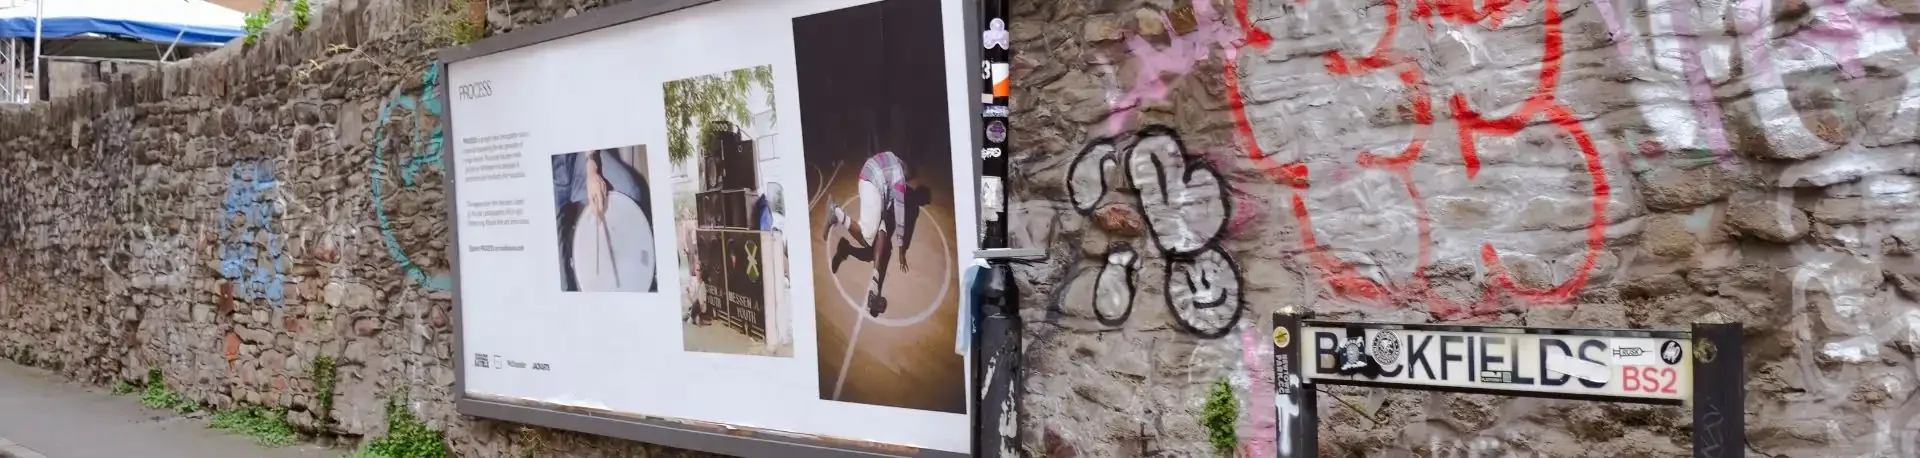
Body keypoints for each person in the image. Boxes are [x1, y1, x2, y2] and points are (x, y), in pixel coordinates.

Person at [822, 151, 914, 317]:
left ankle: (874, 285)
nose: (907, 181)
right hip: (871, 185)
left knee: (882, 229)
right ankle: (837, 214)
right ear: (906, 169)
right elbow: (900, 217)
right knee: (867, 239)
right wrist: (902, 249)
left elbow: (888, 201)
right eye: (909, 177)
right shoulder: (900, 178)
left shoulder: (894, 160)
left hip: (869, 177)